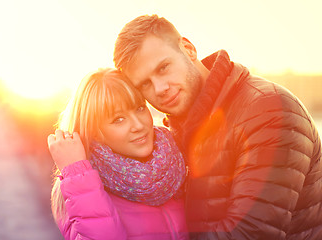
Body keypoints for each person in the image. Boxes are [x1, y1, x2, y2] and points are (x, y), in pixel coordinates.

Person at [113, 14, 322, 239]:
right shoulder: (178, 131)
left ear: (188, 48)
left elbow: (251, 233)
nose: (160, 87)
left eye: (163, 68)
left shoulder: (267, 109)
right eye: (145, 84)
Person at [47, 68, 189, 240]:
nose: (138, 125)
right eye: (118, 119)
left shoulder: (175, 162)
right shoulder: (77, 190)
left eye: (140, 108)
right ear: (95, 132)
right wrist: (78, 176)